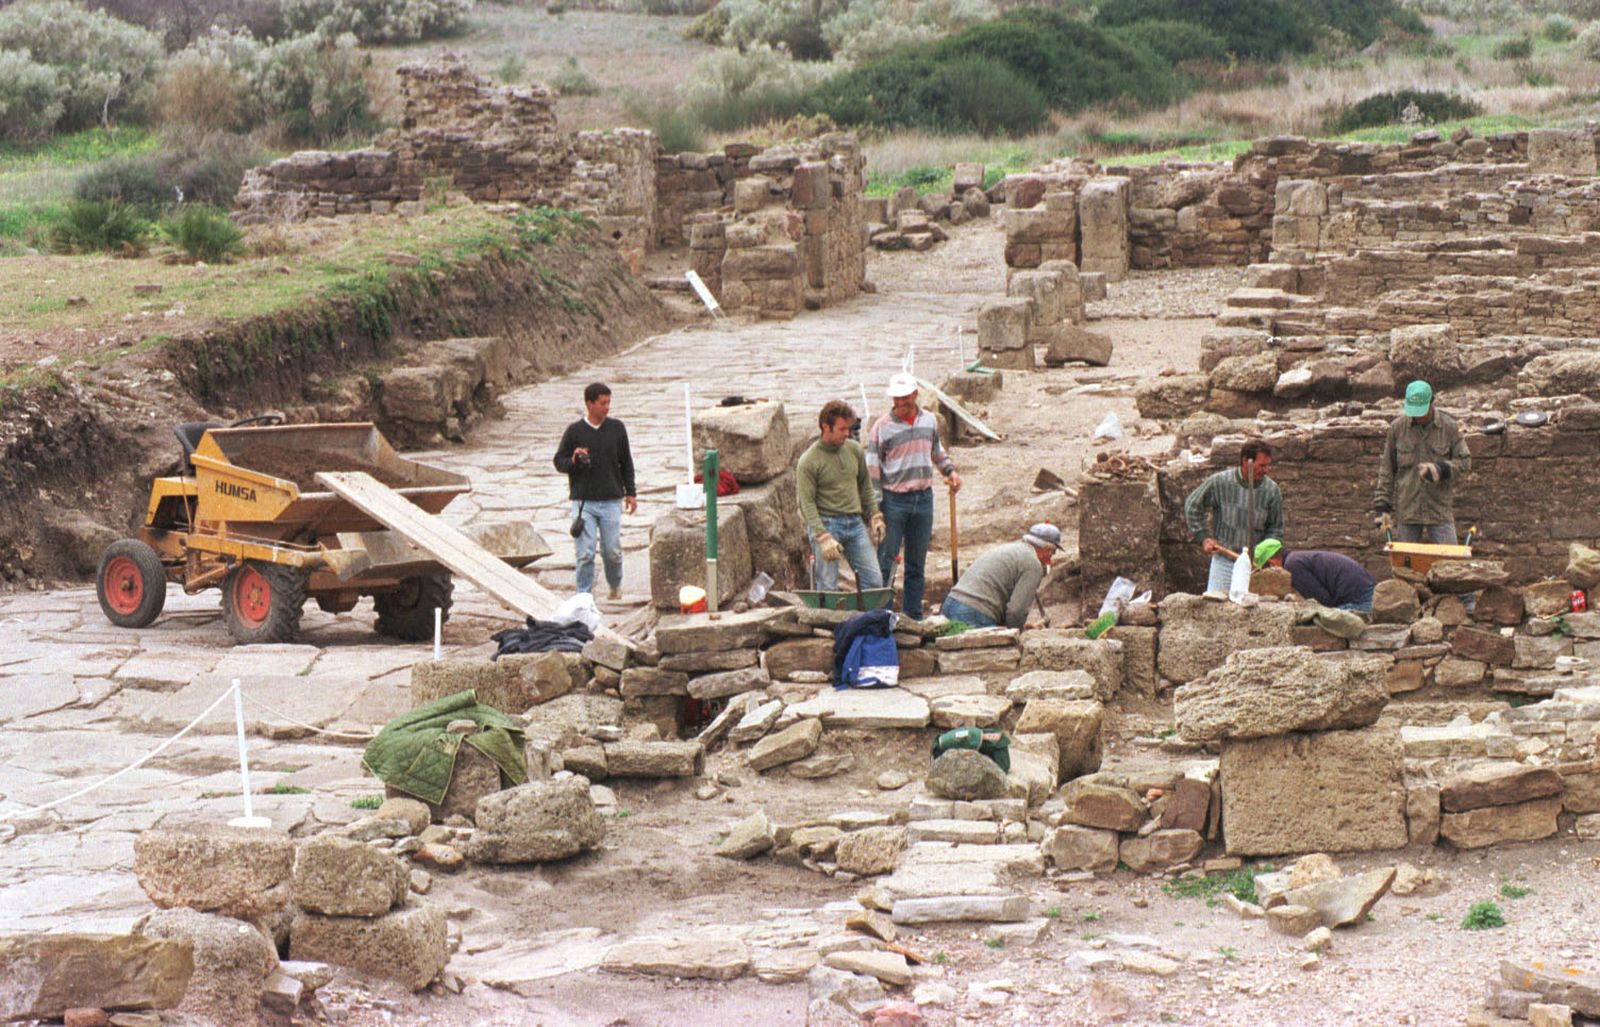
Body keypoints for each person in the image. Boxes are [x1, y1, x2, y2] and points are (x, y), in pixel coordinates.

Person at [866, 372, 962, 620]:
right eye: (896, 399)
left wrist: (950, 471)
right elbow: (873, 470)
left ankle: (912, 615)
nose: (900, 403)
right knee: (886, 562)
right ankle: (882, 615)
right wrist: (876, 510)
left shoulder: (929, 421)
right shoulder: (880, 428)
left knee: (916, 563)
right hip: (893, 501)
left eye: (904, 398)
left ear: (915, 395)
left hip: (923, 499)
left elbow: (937, 452)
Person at [553, 382, 637, 599]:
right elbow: (559, 461)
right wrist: (573, 459)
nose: (607, 407)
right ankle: (583, 594)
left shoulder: (617, 428)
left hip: (611, 500)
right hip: (584, 502)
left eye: (608, 402)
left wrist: (631, 492)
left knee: (612, 551)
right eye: (602, 403)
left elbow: (626, 462)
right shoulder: (574, 431)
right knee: (585, 552)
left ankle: (615, 585)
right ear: (589, 404)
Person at [798, 399, 883, 592]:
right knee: (828, 586)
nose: (847, 433)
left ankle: (864, 621)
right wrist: (822, 535)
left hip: (854, 524)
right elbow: (806, 503)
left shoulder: (854, 450)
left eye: (849, 428)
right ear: (825, 427)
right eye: (842, 429)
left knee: (874, 582)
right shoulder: (809, 461)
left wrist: (874, 516)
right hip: (827, 525)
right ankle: (830, 622)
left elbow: (865, 486)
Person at [1374, 380, 1471, 545]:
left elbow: (1465, 462)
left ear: (1432, 402)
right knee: (1405, 565)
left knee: (1451, 564)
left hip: (1439, 510)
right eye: (1414, 412)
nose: (1417, 416)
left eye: (1421, 412)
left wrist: (1441, 470)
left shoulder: (1449, 427)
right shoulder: (1397, 429)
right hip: (1408, 511)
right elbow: (1387, 470)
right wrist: (1382, 506)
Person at [1183, 440, 1284, 594]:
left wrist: (1269, 555)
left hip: (1254, 567)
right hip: (1224, 561)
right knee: (1215, 610)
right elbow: (1192, 505)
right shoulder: (1221, 482)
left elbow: (1275, 528)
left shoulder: (1271, 490)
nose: (1267, 470)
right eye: (1262, 465)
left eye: (1268, 465)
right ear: (1246, 462)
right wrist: (1203, 537)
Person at [940, 523, 1062, 630]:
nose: (1051, 558)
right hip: (974, 613)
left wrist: (1020, 626)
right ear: (1046, 549)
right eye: (1053, 552)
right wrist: (1018, 633)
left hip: (950, 605)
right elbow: (1016, 612)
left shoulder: (1011, 549)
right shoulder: (1033, 564)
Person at [1253, 539, 1377, 614]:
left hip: (1361, 600)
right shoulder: (1297, 558)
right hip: (1366, 590)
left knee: (1322, 619)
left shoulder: (1293, 565)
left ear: (1272, 562)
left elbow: (1323, 602)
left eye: (1267, 569)